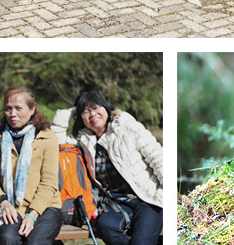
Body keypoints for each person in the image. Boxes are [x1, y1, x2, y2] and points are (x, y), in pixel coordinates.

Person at [51, 91, 163, 245]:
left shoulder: (127, 127)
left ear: (106, 108)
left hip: (147, 198)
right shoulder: (84, 140)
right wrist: (69, 112)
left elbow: (157, 157)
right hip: (116, 202)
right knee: (106, 226)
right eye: (86, 111)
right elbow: (57, 142)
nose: (92, 114)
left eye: (96, 107)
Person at [0, 87, 62, 245]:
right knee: (7, 238)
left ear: (32, 109)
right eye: (8, 108)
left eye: (19, 108)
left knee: (35, 242)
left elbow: (49, 182)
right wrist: (3, 203)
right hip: (10, 206)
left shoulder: (47, 137)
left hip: (45, 207)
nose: (13, 114)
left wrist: (32, 215)